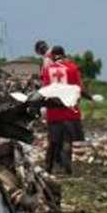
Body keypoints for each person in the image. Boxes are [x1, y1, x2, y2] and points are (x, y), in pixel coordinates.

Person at [41, 45, 85, 174]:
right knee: (68, 139)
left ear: (53, 56)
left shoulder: (48, 70)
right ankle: (66, 157)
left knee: (53, 141)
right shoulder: (72, 68)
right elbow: (79, 89)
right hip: (71, 112)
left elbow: (46, 91)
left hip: (54, 113)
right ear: (63, 54)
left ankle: (48, 167)